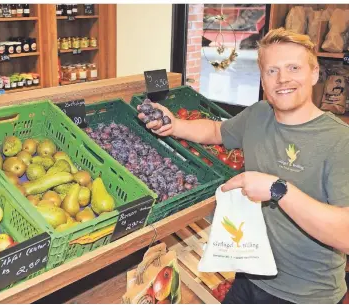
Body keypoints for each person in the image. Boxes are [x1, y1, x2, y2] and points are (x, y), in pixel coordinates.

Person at [138, 28, 349, 304]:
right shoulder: (259, 114)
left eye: (293, 68)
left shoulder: (339, 140)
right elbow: (216, 131)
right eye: (272, 71)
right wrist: (173, 125)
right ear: (262, 78)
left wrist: (278, 190)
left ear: (313, 73)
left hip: (305, 295)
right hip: (250, 273)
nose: (282, 79)